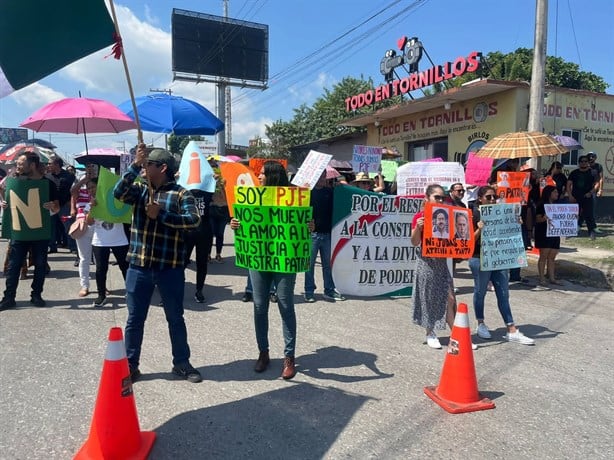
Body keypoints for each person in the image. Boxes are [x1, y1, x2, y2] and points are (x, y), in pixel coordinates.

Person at [113, 145, 202, 383]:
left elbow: (193, 221)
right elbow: (118, 192)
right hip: (139, 266)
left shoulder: (182, 194)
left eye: (148, 163)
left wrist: (160, 214)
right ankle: (131, 365)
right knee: (135, 319)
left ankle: (181, 363)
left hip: (169, 267)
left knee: (175, 317)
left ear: (162, 168)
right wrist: (134, 164)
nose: (144, 166)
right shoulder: (140, 190)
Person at [230, 161, 308, 379]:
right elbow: (243, 222)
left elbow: (305, 223)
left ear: (273, 176)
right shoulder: (252, 196)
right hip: (258, 258)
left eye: (263, 173)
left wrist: (308, 226)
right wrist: (235, 223)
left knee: (285, 304)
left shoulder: (294, 197)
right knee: (259, 305)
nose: (259, 176)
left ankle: (289, 357)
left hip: (284, 259)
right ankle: (263, 352)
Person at [469, 186, 535, 345]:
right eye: (489, 197)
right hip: (480, 258)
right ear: (480, 199)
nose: (492, 200)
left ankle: (511, 329)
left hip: (499, 258)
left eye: (494, 197)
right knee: (480, 291)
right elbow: (469, 241)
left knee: (504, 293)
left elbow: (509, 234)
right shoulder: (474, 214)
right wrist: (478, 230)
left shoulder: (502, 212)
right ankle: (481, 323)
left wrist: (515, 223)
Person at [410, 184, 473, 349]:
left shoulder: (449, 215)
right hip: (426, 262)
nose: (440, 200)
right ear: (427, 198)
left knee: (450, 299)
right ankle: (430, 332)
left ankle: (456, 334)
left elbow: (458, 238)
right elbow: (414, 242)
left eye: (442, 197)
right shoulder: (420, 216)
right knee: (428, 298)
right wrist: (418, 227)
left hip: (443, 262)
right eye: (436, 197)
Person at [0, 152, 59, 310]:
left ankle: (36, 295)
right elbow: (2, 190)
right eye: (18, 163)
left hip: (39, 232)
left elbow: (57, 206)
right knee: (13, 266)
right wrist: (4, 202)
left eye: (21, 163)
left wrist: (52, 206)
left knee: (40, 265)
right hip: (19, 232)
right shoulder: (13, 181)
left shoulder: (48, 184)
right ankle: (8, 297)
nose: (18, 166)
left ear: (32, 165)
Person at [87, 177, 130, 307]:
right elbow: (89, 222)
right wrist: (92, 208)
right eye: (88, 188)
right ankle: (101, 295)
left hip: (119, 239)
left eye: (93, 187)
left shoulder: (115, 198)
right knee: (101, 269)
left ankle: (130, 292)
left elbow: (126, 214)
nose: (90, 190)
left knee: (125, 266)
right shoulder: (92, 203)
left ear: (99, 187)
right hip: (100, 240)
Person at [304, 170, 345, 303]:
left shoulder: (330, 192)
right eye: (320, 175)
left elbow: (342, 199)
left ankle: (329, 290)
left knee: (327, 265)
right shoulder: (307, 192)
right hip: (312, 235)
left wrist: (341, 186)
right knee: (309, 265)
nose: (322, 178)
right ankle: (309, 291)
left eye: (324, 176)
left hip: (327, 234)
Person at [70, 163, 97, 297]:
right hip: (82, 223)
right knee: (84, 258)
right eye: (88, 167)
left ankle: (101, 286)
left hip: (99, 226)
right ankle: (84, 285)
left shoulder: (102, 187)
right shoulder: (81, 186)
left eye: (93, 167)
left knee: (99, 259)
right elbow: (73, 191)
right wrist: (85, 179)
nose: (91, 169)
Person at [184, 187, 213, 303]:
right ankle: (176, 289)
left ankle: (199, 290)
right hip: (187, 232)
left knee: (202, 263)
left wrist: (217, 183)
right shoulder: (184, 191)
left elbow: (221, 197)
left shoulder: (208, 190)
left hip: (204, 232)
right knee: (182, 262)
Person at [534, 185, 562, 286]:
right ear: (549, 193)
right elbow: (537, 219)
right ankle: (542, 278)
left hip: (555, 233)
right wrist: (544, 218)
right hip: (543, 233)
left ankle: (552, 278)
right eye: (555, 192)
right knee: (543, 256)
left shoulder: (557, 205)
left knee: (552, 257)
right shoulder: (541, 205)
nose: (557, 194)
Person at [47, 156, 75, 253]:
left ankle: (73, 247)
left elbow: (74, 191)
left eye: (50, 163)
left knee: (69, 226)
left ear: (57, 164)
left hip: (64, 206)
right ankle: (52, 247)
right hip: (52, 206)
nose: (48, 165)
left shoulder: (69, 176)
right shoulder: (47, 176)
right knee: (51, 228)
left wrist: (71, 203)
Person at [567, 155, 598, 240]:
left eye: (585, 161)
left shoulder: (593, 172)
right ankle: (572, 231)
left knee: (589, 214)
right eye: (582, 161)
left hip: (587, 196)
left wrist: (591, 192)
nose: (583, 163)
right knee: (574, 215)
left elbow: (596, 184)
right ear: (579, 163)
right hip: (576, 197)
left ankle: (591, 232)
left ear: (588, 162)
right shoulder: (574, 173)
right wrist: (570, 195)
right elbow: (568, 184)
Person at [208, 160, 230, 263]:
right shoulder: (208, 181)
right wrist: (213, 183)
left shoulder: (225, 181)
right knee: (211, 232)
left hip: (223, 210)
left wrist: (221, 185)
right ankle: (208, 254)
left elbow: (228, 197)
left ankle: (218, 254)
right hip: (212, 209)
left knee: (220, 234)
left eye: (215, 168)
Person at [587, 152, 604, 233]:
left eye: (592, 156)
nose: (591, 158)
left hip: (594, 190)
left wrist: (600, 190)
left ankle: (593, 226)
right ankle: (579, 225)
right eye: (589, 156)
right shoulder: (585, 166)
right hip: (584, 190)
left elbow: (600, 178)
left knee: (592, 208)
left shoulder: (598, 166)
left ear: (595, 158)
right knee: (582, 208)